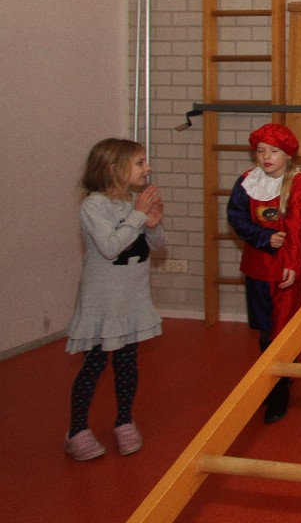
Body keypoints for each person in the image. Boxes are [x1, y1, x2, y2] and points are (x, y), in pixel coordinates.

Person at [64, 138, 165, 461]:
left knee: (126, 364)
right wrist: (137, 216)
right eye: (139, 162)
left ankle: (124, 421)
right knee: (94, 366)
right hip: (103, 303)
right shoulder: (94, 206)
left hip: (131, 300)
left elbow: (156, 245)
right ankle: (77, 430)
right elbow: (110, 247)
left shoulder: (134, 202)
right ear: (113, 169)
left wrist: (152, 224)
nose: (147, 168)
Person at [226, 123, 301, 423]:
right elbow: (236, 218)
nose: (266, 157)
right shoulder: (246, 181)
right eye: (261, 150)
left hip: (285, 269)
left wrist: (291, 262)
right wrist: (263, 237)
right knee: (265, 330)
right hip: (257, 266)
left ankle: (279, 391)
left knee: (282, 330)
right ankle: (278, 377)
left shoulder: (300, 183)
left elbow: (296, 226)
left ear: (288, 155)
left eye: (274, 151)